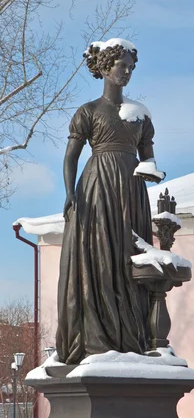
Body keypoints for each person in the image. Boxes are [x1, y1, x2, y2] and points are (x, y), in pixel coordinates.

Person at [56, 38, 165, 365]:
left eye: (132, 67)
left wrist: (151, 173)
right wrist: (70, 192)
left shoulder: (140, 116)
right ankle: (95, 337)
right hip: (97, 187)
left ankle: (132, 337)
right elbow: (70, 158)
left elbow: (149, 160)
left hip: (131, 193)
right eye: (122, 66)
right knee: (98, 258)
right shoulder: (88, 112)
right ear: (105, 67)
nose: (127, 72)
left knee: (128, 258)